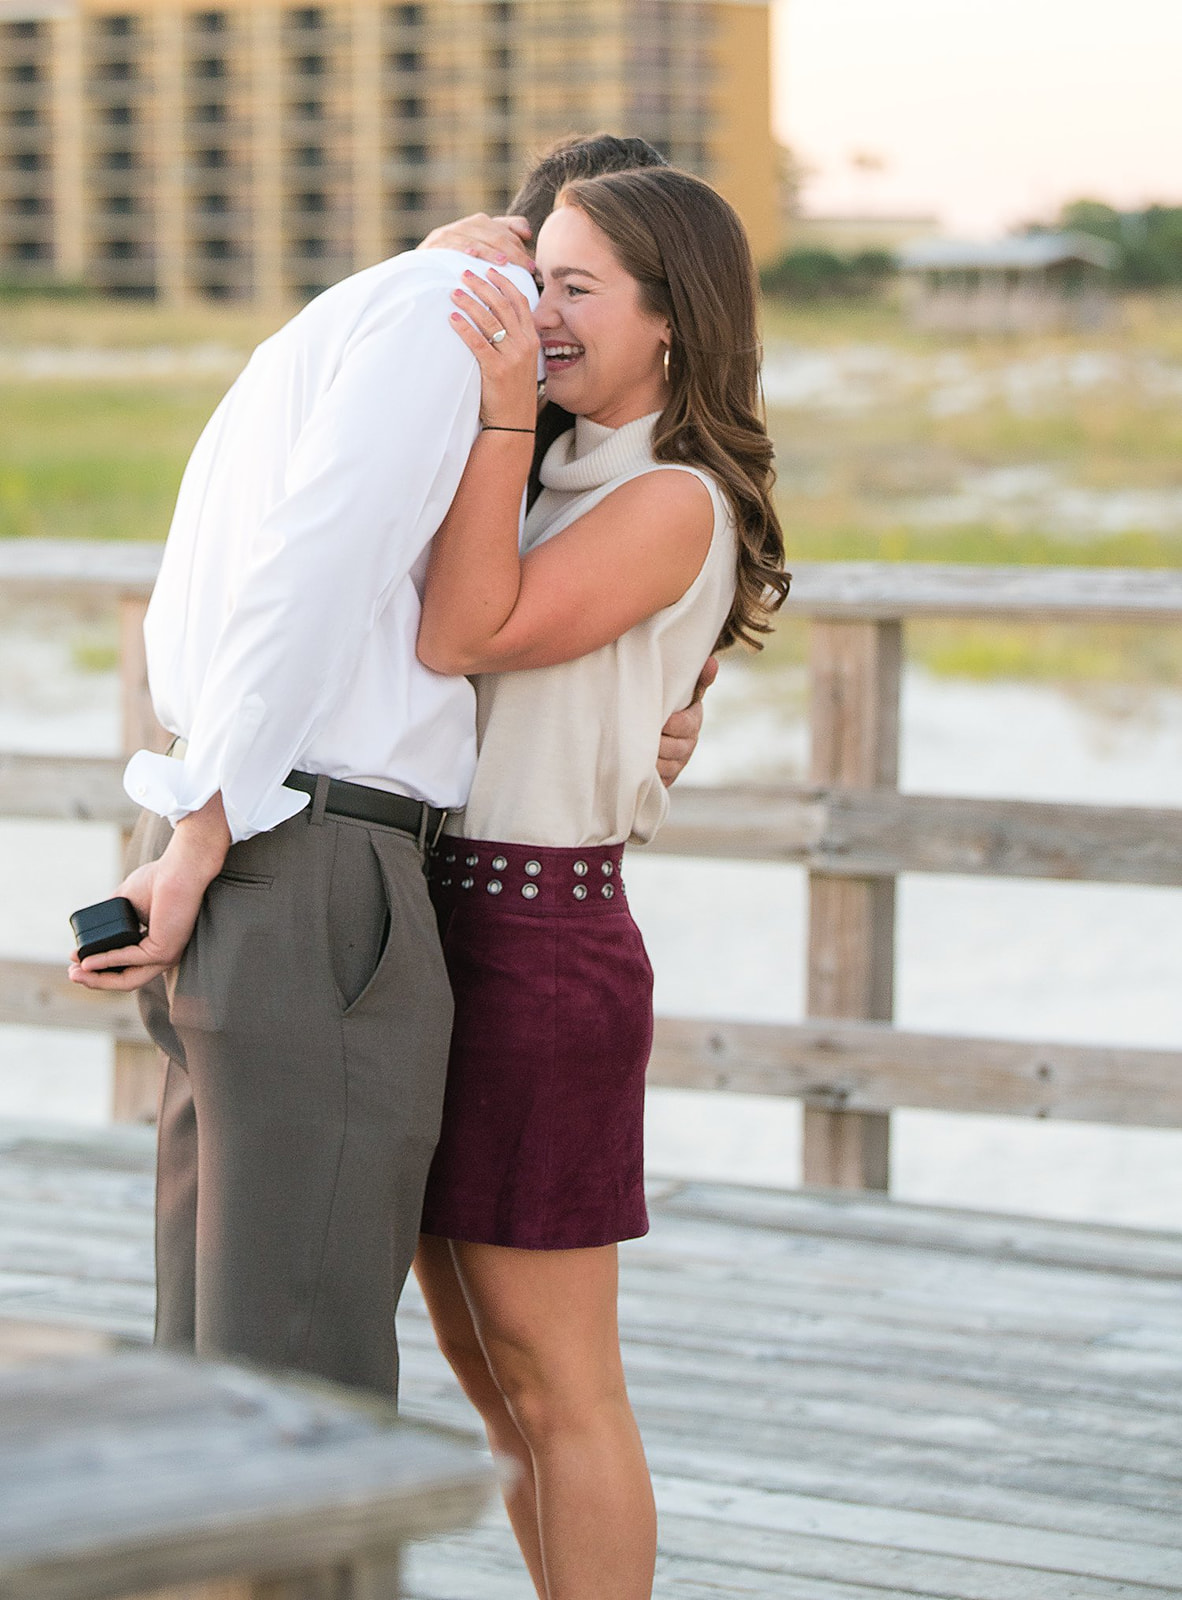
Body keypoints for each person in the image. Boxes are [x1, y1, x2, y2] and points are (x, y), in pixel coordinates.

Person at [66, 135, 710, 1398]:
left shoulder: (351, 319)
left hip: (250, 825)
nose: (554, 316)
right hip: (305, 859)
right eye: (563, 280)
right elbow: (305, 579)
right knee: (303, 1371)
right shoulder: (451, 324)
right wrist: (201, 835)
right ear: (536, 248)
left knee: (220, 1355)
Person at [410, 167, 789, 1600]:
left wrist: (506, 407)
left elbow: (463, 632)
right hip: (435, 919)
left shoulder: (675, 498)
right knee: (483, 1369)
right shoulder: (549, 466)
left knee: (559, 1381)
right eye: (536, 279)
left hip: (540, 946)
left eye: (576, 289)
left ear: (671, 319)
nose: (542, 312)